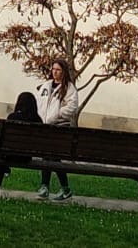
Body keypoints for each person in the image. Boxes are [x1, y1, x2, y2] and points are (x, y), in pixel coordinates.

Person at [36, 59, 80, 201]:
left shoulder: (69, 88)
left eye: (58, 70)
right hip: (46, 125)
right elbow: (40, 103)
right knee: (46, 156)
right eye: (53, 69)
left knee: (54, 157)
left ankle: (64, 188)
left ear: (64, 71)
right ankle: (45, 186)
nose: (55, 72)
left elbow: (72, 107)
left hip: (59, 126)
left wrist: (58, 113)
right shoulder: (46, 86)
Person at [0, 91, 40, 197]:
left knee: (0, 157)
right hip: (26, 157)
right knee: (2, 157)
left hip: (10, 155)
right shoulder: (38, 120)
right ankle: (4, 170)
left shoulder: (12, 117)